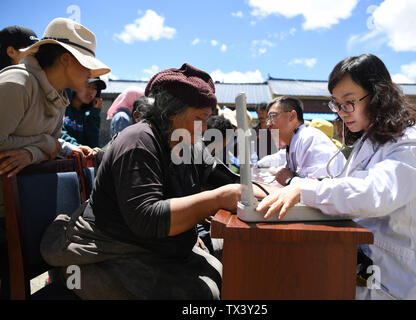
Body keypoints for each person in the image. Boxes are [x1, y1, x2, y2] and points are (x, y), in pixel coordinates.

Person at [40, 63, 267, 299]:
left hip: (153, 247)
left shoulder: (189, 144)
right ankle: (76, 277)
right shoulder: (138, 141)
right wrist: (217, 199)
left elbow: (227, 181)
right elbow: (147, 219)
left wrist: (287, 193)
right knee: (203, 294)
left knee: (232, 260)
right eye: (200, 118)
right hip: (112, 249)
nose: (205, 128)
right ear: (171, 113)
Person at [257, 54, 416, 300]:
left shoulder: (411, 146)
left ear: (379, 96)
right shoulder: (371, 140)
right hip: (369, 267)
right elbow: (349, 188)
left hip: (403, 284)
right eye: (336, 104)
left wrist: (303, 189)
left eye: (349, 102)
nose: (342, 112)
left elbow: (373, 194)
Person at [0, 17, 109, 298]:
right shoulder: (17, 82)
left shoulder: (58, 96)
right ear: (65, 59)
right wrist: (44, 146)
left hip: (24, 212)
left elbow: (47, 143)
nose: (90, 74)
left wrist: (61, 149)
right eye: (86, 64)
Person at [265, 96, 346, 186]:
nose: (268, 124)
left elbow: (321, 187)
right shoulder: (294, 142)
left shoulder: (310, 139)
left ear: (292, 116)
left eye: (272, 116)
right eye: (268, 119)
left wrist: (289, 180)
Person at [61, 77, 107, 150]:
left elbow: (93, 144)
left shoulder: (88, 116)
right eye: (88, 86)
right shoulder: (61, 107)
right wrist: (78, 147)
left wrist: (94, 114)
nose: (91, 91)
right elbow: (59, 135)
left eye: (95, 88)